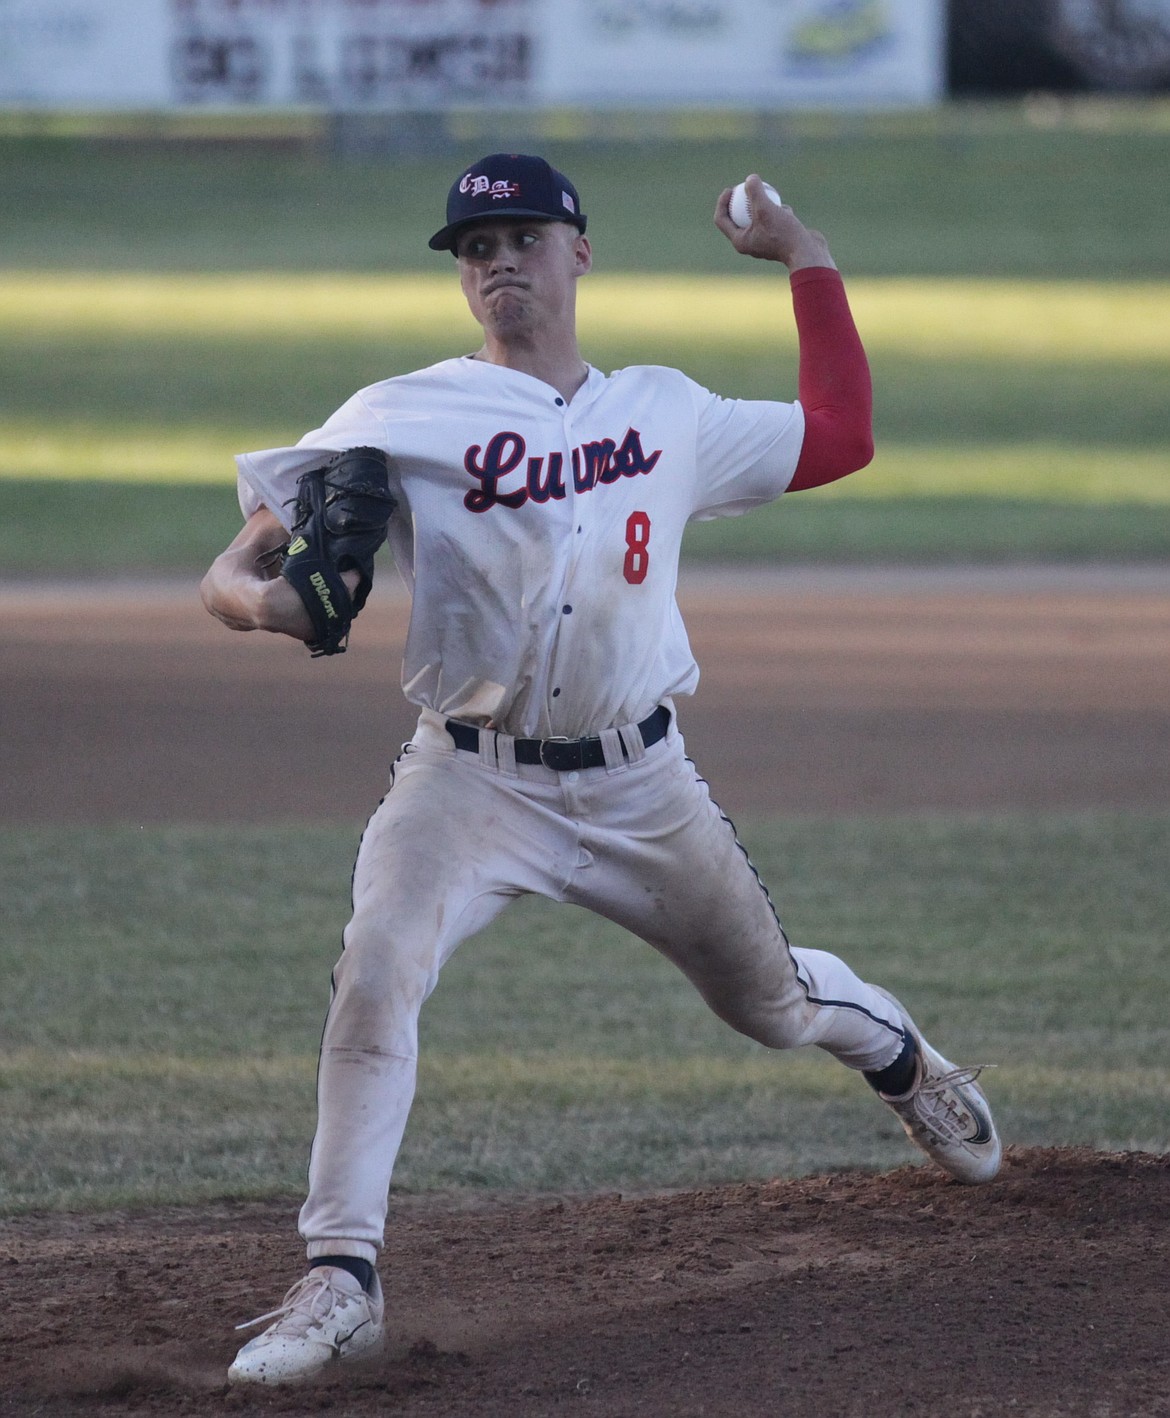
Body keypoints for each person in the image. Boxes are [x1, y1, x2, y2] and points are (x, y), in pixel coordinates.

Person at [201, 153, 1001, 1387]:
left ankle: (902, 1060)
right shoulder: (397, 414)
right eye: (476, 248)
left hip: (642, 784)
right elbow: (233, 567)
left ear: (581, 252)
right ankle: (339, 1275)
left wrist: (808, 257)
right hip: (467, 784)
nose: (499, 261)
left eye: (523, 236)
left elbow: (841, 437)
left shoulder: (666, 411)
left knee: (772, 1004)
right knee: (376, 972)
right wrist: (270, 610)